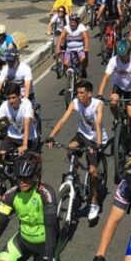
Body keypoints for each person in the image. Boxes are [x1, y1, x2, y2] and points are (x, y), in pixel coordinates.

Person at [46, 78, 106, 222]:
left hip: (95, 139)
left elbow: (98, 124)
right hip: (82, 135)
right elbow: (62, 120)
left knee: (93, 172)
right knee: (71, 147)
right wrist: (51, 137)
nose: (78, 95)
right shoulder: (75, 103)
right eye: (77, 92)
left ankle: (93, 201)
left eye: (81, 93)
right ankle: (76, 176)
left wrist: (97, 145)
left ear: (89, 94)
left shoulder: (98, 104)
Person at [97, 40, 131, 151]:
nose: (122, 58)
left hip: (130, 89)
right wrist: (100, 93)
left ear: (129, 53)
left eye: (124, 56)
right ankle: (117, 118)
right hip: (118, 86)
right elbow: (105, 77)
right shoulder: (114, 60)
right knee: (112, 103)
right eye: (120, 56)